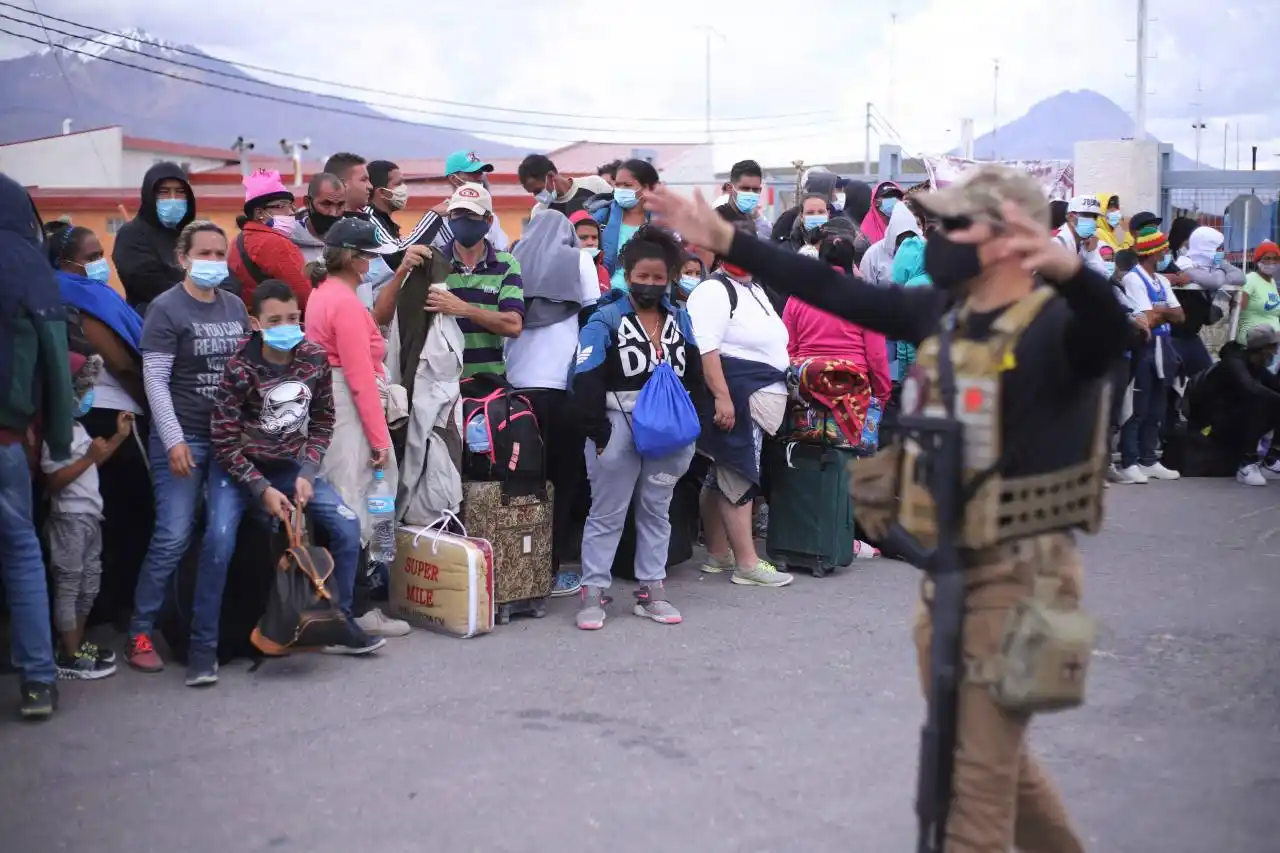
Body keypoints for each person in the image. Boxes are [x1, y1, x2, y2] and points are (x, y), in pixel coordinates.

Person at [646, 165, 1131, 853]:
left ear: (1006, 240)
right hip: (950, 572)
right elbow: (829, 286)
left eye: (951, 225)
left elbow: (1113, 333)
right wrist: (728, 237)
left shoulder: (1056, 329)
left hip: (1022, 579)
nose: (933, 235)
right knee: (992, 759)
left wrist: (1071, 269)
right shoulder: (945, 311)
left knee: (969, 791)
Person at [191, 280, 381, 685]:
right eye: (275, 320)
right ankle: (202, 648)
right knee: (219, 540)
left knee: (347, 526)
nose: (287, 326)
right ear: (255, 322)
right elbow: (223, 442)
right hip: (239, 470)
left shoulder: (312, 358)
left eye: (294, 318)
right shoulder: (239, 368)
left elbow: (324, 419)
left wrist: (308, 473)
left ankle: (339, 623)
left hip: (294, 466)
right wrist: (261, 489)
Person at [126, 221, 250, 673]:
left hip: (228, 443)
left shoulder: (235, 307)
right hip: (183, 439)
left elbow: (243, 376)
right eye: (206, 254)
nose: (215, 262)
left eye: (221, 254)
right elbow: (155, 380)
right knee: (173, 535)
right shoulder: (165, 309)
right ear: (183, 258)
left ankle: (207, 637)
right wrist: (175, 440)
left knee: (221, 534)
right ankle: (140, 630)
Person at [568, 224, 705, 630]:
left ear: (670, 279)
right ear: (627, 274)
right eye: (642, 277)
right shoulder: (604, 319)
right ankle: (593, 591)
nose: (650, 285)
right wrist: (598, 433)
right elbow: (585, 377)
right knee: (607, 512)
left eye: (658, 278)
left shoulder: (681, 318)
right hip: (616, 426)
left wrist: (692, 424)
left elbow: (695, 373)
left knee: (657, 511)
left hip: (671, 434)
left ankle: (651, 590)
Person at [303, 217, 411, 639]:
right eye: (367, 255)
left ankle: (357, 599)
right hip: (349, 407)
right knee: (363, 503)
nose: (371, 263)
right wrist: (380, 437)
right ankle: (358, 605)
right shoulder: (344, 302)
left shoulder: (323, 294)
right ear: (353, 258)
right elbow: (359, 376)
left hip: (336, 404)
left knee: (358, 503)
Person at [49, 223, 153, 623]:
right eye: (92, 256)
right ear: (66, 261)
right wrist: (152, 401)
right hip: (112, 411)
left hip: (86, 411)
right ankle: (117, 604)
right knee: (131, 510)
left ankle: (102, 604)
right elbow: (122, 362)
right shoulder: (78, 297)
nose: (100, 263)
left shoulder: (58, 293)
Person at [686, 211, 794, 589]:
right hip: (736, 397)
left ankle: (718, 555)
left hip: (756, 397)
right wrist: (723, 398)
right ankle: (747, 563)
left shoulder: (754, 288)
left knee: (721, 477)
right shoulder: (713, 290)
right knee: (738, 477)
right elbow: (707, 350)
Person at [0, 172, 74, 719]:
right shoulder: (30, 267)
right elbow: (54, 360)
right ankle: (37, 681)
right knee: (22, 552)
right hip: (6, 438)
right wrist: (57, 438)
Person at [508, 210, 600, 597]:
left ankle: (518, 568)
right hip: (562, 389)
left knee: (522, 482)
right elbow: (593, 316)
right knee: (563, 481)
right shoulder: (579, 259)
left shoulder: (512, 259)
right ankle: (553, 568)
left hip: (515, 390)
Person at [41, 354, 127, 680]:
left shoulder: (77, 428)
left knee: (88, 585)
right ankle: (68, 653)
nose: (88, 393)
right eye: (84, 388)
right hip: (68, 517)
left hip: (90, 516)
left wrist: (117, 439)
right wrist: (91, 455)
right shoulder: (57, 432)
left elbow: (90, 465)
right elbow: (54, 481)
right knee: (70, 584)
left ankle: (75, 645)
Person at [426, 184, 525, 378]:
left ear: (488, 220)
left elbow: (513, 325)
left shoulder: (506, 264)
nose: (463, 220)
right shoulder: (431, 262)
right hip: (440, 383)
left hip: (488, 382)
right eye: (457, 213)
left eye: (471, 214)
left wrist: (463, 309)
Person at [1115, 226, 1184, 485]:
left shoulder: (1163, 280)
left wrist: (1159, 311)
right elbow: (1147, 317)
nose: (1166, 252)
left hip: (1163, 345)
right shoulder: (1134, 279)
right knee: (1137, 407)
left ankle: (1148, 459)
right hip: (1144, 346)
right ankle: (1130, 461)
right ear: (1153, 253)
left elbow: (1180, 315)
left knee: (1156, 405)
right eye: (1162, 249)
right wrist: (1162, 311)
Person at [1186, 325, 1280, 486]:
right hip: (1209, 425)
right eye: (1273, 348)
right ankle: (1247, 465)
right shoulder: (1233, 363)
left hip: (1231, 419)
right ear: (1262, 349)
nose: (1276, 353)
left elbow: (1275, 385)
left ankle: (1271, 461)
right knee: (1259, 403)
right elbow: (1251, 388)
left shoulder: (1257, 367)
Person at [112, 162, 197, 312]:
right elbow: (150, 286)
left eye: (179, 192)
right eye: (164, 192)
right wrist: (200, 293)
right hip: (152, 320)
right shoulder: (131, 235)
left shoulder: (192, 234)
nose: (173, 199)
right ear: (150, 195)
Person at [227, 169, 311, 311]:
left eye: (291, 205)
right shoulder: (276, 244)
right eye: (281, 206)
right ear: (259, 213)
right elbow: (305, 296)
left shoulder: (237, 241)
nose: (291, 212)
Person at [1172, 225, 1244, 376]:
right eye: (1217, 248)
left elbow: (1240, 277)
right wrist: (1220, 270)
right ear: (1206, 246)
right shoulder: (1184, 265)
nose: (1220, 252)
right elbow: (1215, 282)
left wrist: (1220, 267)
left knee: (1208, 378)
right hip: (1174, 338)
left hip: (1192, 336)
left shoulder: (1211, 265)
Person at [365, 159, 451, 267]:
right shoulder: (369, 219)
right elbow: (398, 254)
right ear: (382, 192)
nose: (404, 188)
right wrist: (433, 215)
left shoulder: (386, 221)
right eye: (398, 184)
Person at [591, 158, 659, 287]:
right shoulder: (601, 218)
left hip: (647, 296)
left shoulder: (661, 223)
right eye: (617, 185)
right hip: (607, 297)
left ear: (645, 188)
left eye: (627, 185)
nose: (621, 190)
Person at [443, 150, 510, 251]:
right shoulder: (440, 218)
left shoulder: (491, 217)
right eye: (473, 173)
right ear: (454, 179)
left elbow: (502, 251)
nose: (481, 177)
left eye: (481, 172)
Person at [519, 154, 614, 218]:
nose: (536, 196)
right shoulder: (539, 212)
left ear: (551, 176)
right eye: (532, 193)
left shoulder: (595, 185)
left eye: (538, 190)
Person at [291, 172, 347, 264]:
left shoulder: (354, 235)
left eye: (340, 205)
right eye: (326, 204)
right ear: (307, 203)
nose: (333, 213)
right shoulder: (287, 237)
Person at [1237, 241, 1280, 345]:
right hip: (1255, 342)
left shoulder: (1272, 282)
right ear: (1258, 260)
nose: (1272, 262)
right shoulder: (1250, 279)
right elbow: (1237, 311)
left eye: (1275, 259)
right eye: (1267, 258)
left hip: (1274, 341)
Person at [717, 159, 771, 240]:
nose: (751, 194)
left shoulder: (750, 220)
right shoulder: (717, 218)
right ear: (730, 188)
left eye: (755, 190)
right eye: (745, 188)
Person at [1054, 195, 1107, 276]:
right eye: (1087, 215)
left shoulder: (1088, 243)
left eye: (1094, 216)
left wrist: (1090, 253)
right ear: (1070, 216)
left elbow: (1102, 276)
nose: (1092, 220)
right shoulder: (1057, 244)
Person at [570, 210, 609, 294]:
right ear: (570, 238)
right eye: (583, 238)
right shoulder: (560, 271)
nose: (590, 243)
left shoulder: (603, 272)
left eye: (594, 237)